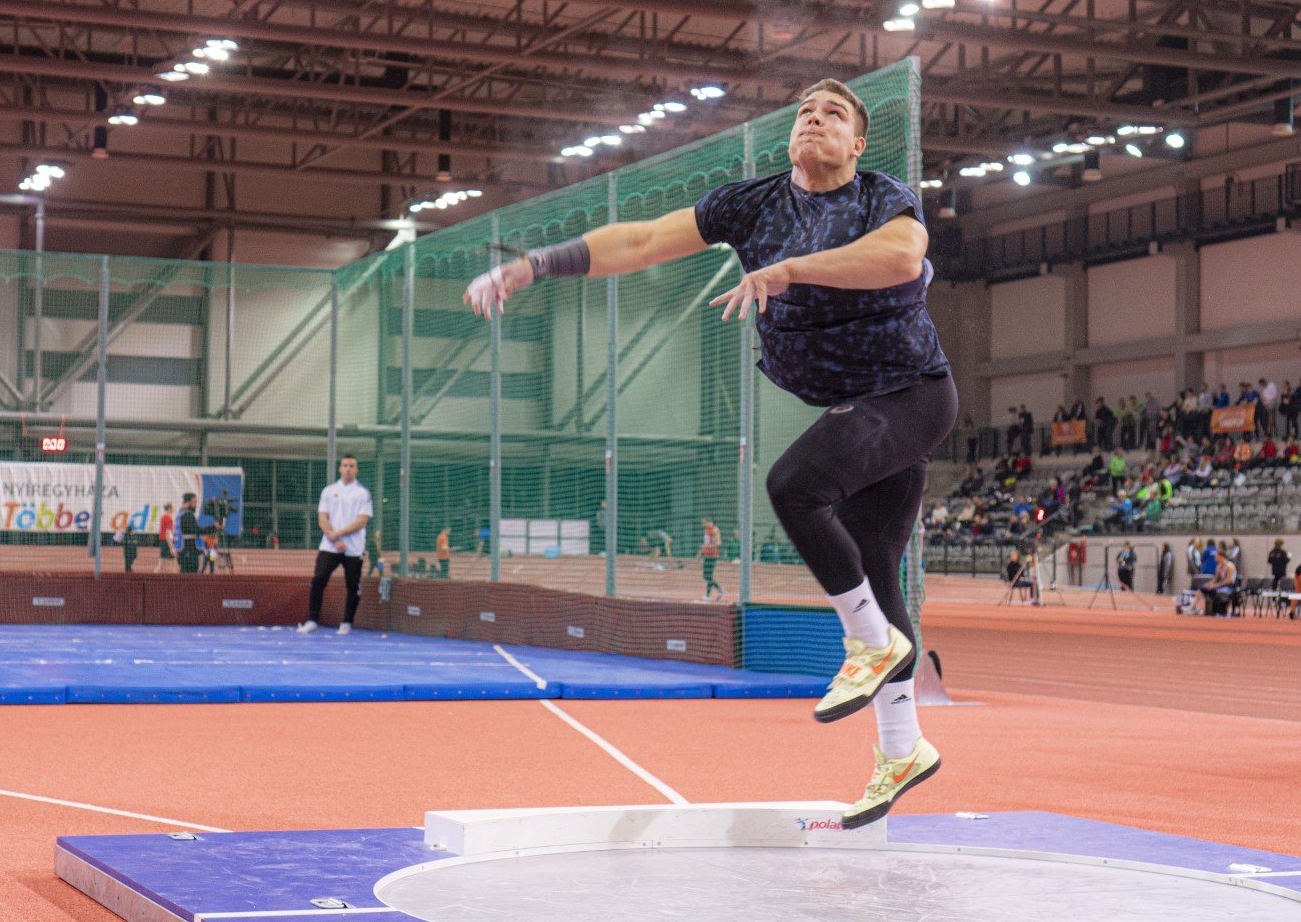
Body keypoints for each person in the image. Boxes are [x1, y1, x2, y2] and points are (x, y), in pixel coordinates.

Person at [465, 77, 953, 828]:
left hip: (911, 394)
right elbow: (641, 240)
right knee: (875, 567)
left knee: (794, 486)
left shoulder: (881, 199)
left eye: (833, 115)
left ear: (858, 144)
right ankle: (902, 747)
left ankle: (867, 644)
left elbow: (898, 259)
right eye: (804, 111)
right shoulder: (751, 205)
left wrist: (789, 269)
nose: (813, 119)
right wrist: (534, 264)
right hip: (854, 403)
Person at [299, 454, 373, 635]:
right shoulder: (328, 491)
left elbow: (362, 521)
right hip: (329, 546)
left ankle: (347, 622)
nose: (348, 469)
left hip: (353, 549)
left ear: (356, 469)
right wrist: (335, 539)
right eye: (345, 465)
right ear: (340, 469)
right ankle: (312, 620)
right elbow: (322, 518)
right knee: (318, 579)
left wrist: (339, 534)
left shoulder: (363, 493)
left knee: (353, 585)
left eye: (352, 466)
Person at [176, 493, 202, 574]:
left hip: (182, 548)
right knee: (191, 574)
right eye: (194, 502)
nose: (195, 505)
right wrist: (213, 528)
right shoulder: (187, 514)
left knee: (184, 572)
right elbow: (195, 530)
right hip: (189, 549)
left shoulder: (180, 513)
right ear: (187, 503)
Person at [700, 518, 723, 601]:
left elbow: (718, 543)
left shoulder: (715, 530)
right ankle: (718, 590)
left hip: (712, 556)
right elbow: (705, 543)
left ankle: (709, 595)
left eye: (703, 523)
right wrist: (701, 553)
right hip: (706, 555)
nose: (702, 525)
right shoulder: (706, 530)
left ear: (708, 522)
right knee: (706, 576)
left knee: (708, 576)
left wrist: (707, 546)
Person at [154, 503, 175, 574]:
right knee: (173, 560)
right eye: (172, 507)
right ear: (169, 508)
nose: (173, 509)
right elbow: (168, 532)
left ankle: (156, 572)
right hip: (166, 540)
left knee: (162, 559)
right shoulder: (169, 519)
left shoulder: (163, 517)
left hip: (162, 539)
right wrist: (171, 545)